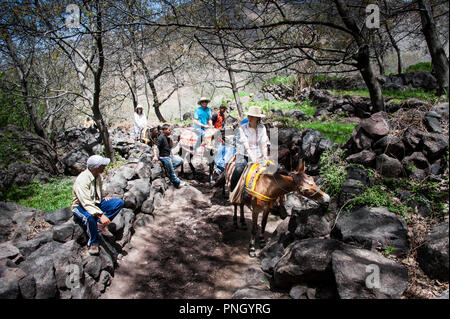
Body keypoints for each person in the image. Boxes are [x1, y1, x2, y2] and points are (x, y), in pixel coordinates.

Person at [71, 155, 124, 255]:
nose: (104, 167)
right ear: (96, 167)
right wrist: (100, 214)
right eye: (102, 165)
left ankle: (99, 224)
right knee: (90, 217)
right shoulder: (82, 180)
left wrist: (103, 196)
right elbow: (85, 202)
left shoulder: (97, 176)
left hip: (95, 202)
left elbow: (99, 190)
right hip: (81, 206)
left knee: (118, 203)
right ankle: (93, 242)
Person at [230, 105, 270, 192]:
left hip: (259, 154)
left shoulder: (262, 128)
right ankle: (232, 190)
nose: (249, 118)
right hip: (244, 154)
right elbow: (246, 146)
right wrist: (253, 158)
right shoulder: (243, 128)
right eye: (249, 116)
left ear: (257, 118)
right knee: (238, 169)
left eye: (252, 116)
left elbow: (264, 144)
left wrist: (265, 157)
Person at [153, 124, 185, 188]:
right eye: (169, 130)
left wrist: (170, 139)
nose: (170, 131)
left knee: (181, 160)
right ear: (164, 130)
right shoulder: (161, 137)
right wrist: (155, 156)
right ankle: (177, 183)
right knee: (172, 173)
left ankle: (170, 169)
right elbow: (155, 147)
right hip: (164, 157)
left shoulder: (167, 137)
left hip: (169, 156)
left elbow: (171, 146)